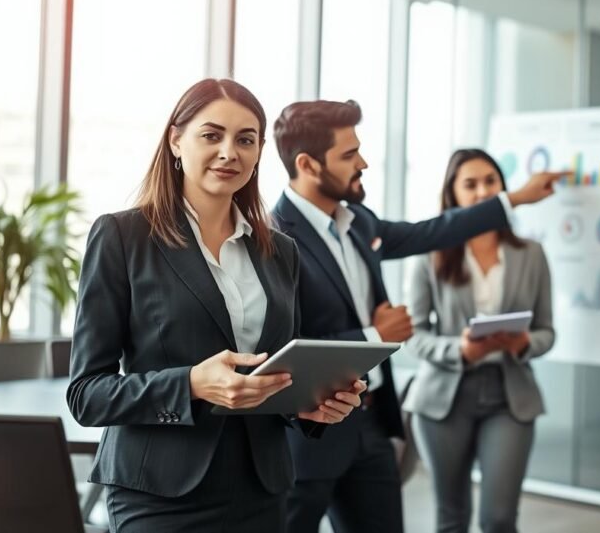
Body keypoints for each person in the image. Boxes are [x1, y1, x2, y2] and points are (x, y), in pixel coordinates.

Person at [66, 78, 365, 533]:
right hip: (158, 494)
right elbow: (87, 394)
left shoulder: (280, 251)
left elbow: (276, 371)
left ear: (260, 151)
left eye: (246, 140)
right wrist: (190, 384)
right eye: (212, 135)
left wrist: (309, 404)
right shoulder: (122, 237)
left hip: (260, 489)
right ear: (175, 141)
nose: (230, 152)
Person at [269, 100, 566, 533]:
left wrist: (515, 197)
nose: (363, 163)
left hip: (371, 425)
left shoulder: (360, 222)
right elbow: (284, 349)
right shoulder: (273, 237)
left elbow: (434, 231)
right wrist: (374, 335)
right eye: (349, 155)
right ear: (308, 165)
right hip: (312, 437)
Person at [404, 148, 555, 533]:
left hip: (510, 396)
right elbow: (413, 334)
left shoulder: (531, 254)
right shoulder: (430, 254)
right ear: (452, 194)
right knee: (451, 518)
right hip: (444, 398)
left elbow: (547, 331)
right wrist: (460, 349)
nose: (483, 191)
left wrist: (522, 344)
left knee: (499, 519)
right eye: (470, 184)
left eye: (491, 181)